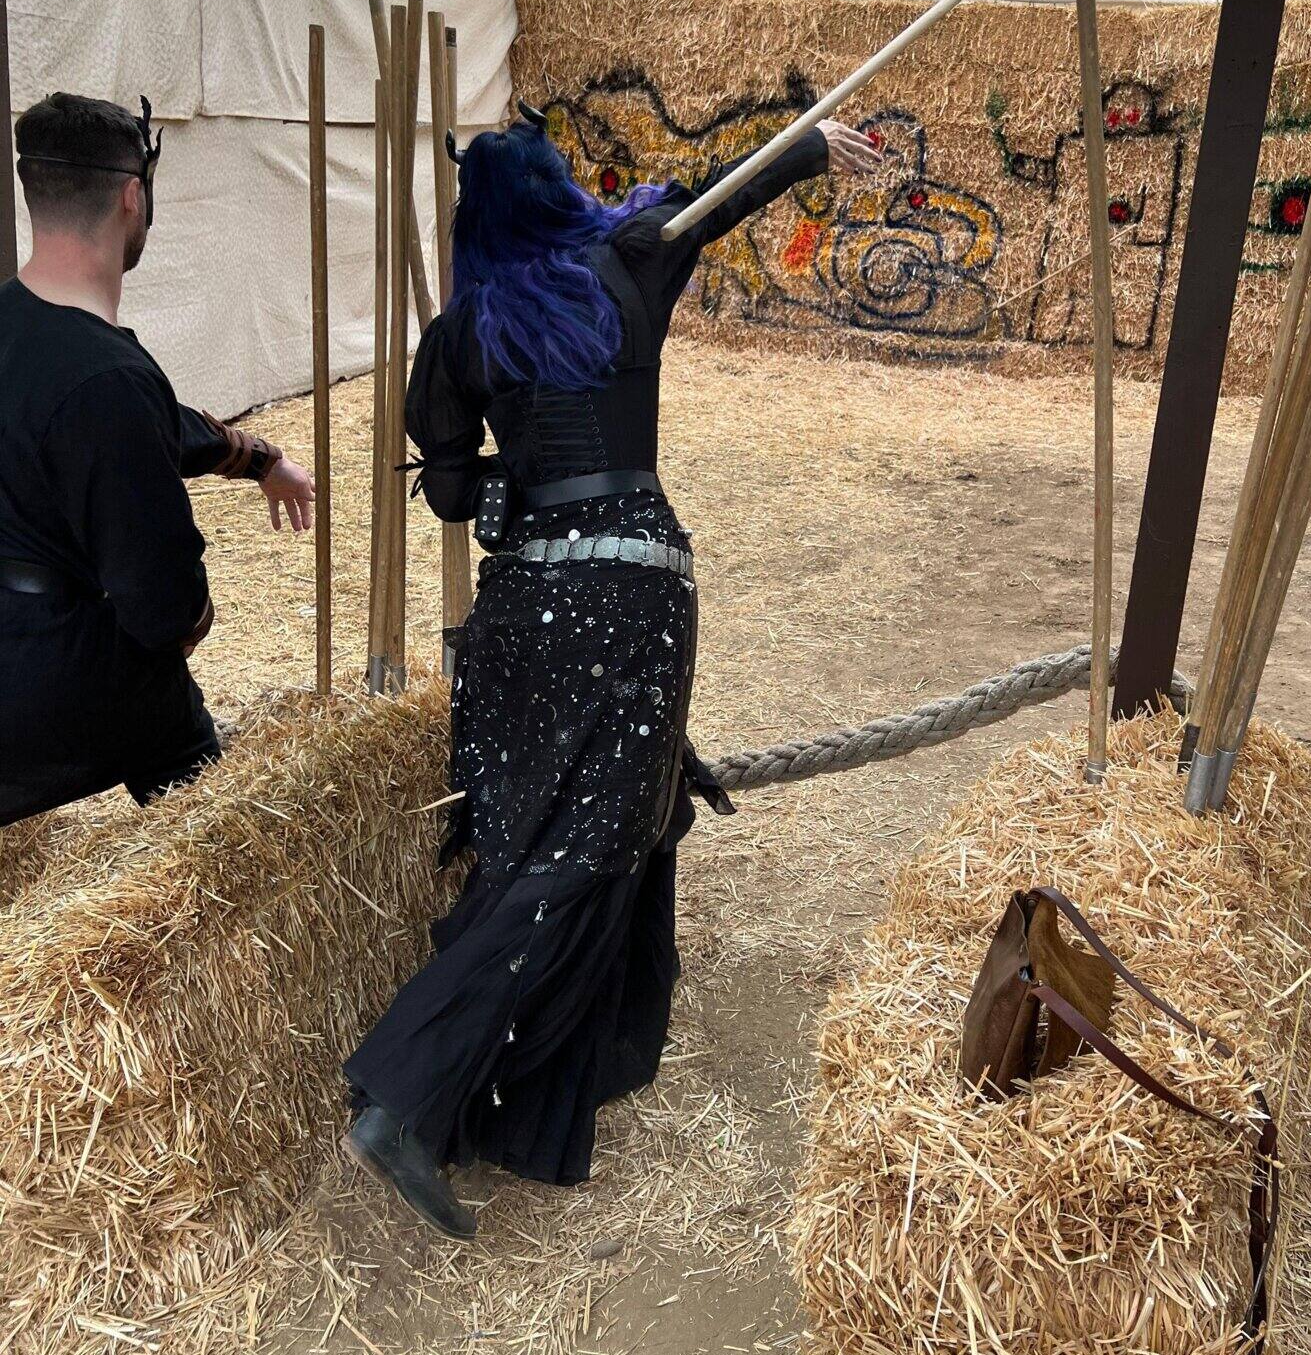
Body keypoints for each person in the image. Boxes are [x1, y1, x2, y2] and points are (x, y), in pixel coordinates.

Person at [343, 102, 880, 1238]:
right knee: (589, 844)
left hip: (521, 607)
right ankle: (406, 1091)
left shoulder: (462, 329)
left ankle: (511, 1086)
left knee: (527, 828)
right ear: (558, 192)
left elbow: (450, 494)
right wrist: (809, 148)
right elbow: (716, 196)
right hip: (634, 590)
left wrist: (515, 476)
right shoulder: (627, 261)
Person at [0, 91, 315, 827]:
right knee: (176, 723)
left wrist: (258, 459)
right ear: (132, 197)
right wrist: (193, 620)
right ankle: (210, 831)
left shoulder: (20, 328)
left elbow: (137, 425)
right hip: (41, 692)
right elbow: (163, 608)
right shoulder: (107, 377)